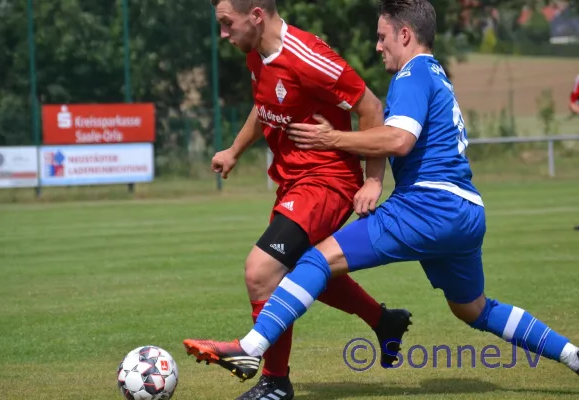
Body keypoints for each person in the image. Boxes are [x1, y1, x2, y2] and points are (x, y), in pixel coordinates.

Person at [183, 0, 579, 382]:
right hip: (466, 210)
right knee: (474, 310)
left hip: (427, 206)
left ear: (404, 35)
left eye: (382, 36)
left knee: (314, 261)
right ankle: (572, 355)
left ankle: (252, 347)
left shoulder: (411, 75)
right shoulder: (437, 73)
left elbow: (398, 140)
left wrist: (333, 139)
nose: (377, 46)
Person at [200, 1, 413, 398]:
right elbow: (265, 107)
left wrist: (372, 181)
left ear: (257, 15)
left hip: (327, 182)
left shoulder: (309, 56)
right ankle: (384, 321)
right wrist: (234, 150)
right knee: (303, 267)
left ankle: (275, 382)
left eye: (228, 25)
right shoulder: (257, 56)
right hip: (294, 183)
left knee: (261, 270)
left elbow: (370, 108)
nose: (224, 34)